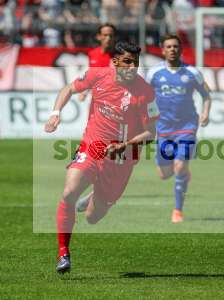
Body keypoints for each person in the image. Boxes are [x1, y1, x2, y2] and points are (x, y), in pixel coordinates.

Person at [44, 41, 159, 274]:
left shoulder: (145, 92)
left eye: (135, 63)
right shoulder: (97, 75)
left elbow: (151, 133)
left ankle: (96, 195)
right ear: (115, 61)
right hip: (93, 146)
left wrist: (125, 146)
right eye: (127, 61)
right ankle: (63, 253)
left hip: (122, 158)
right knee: (68, 193)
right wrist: (55, 114)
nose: (132, 67)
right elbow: (68, 88)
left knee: (92, 218)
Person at [146, 34, 212, 223]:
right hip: (163, 128)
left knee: (180, 165)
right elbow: (144, 96)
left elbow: (207, 95)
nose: (172, 49)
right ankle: (182, 173)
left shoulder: (192, 72)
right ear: (163, 50)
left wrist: (206, 113)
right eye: (168, 47)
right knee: (164, 174)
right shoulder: (154, 73)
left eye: (175, 46)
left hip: (187, 126)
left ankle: (177, 210)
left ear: (180, 49)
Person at [79, 23, 116, 101]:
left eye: (111, 36)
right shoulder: (92, 54)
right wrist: (85, 92)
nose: (108, 38)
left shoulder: (120, 56)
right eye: (105, 35)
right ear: (98, 37)